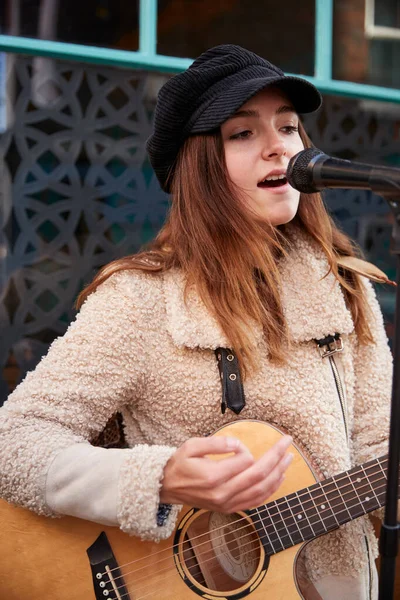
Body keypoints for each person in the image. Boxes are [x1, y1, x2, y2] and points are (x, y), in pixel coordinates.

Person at [0, 45, 393, 600]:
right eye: (243, 133)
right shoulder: (140, 300)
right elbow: (13, 441)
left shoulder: (347, 289)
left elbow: (381, 448)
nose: (279, 145)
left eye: (288, 127)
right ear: (199, 165)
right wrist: (155, 479)